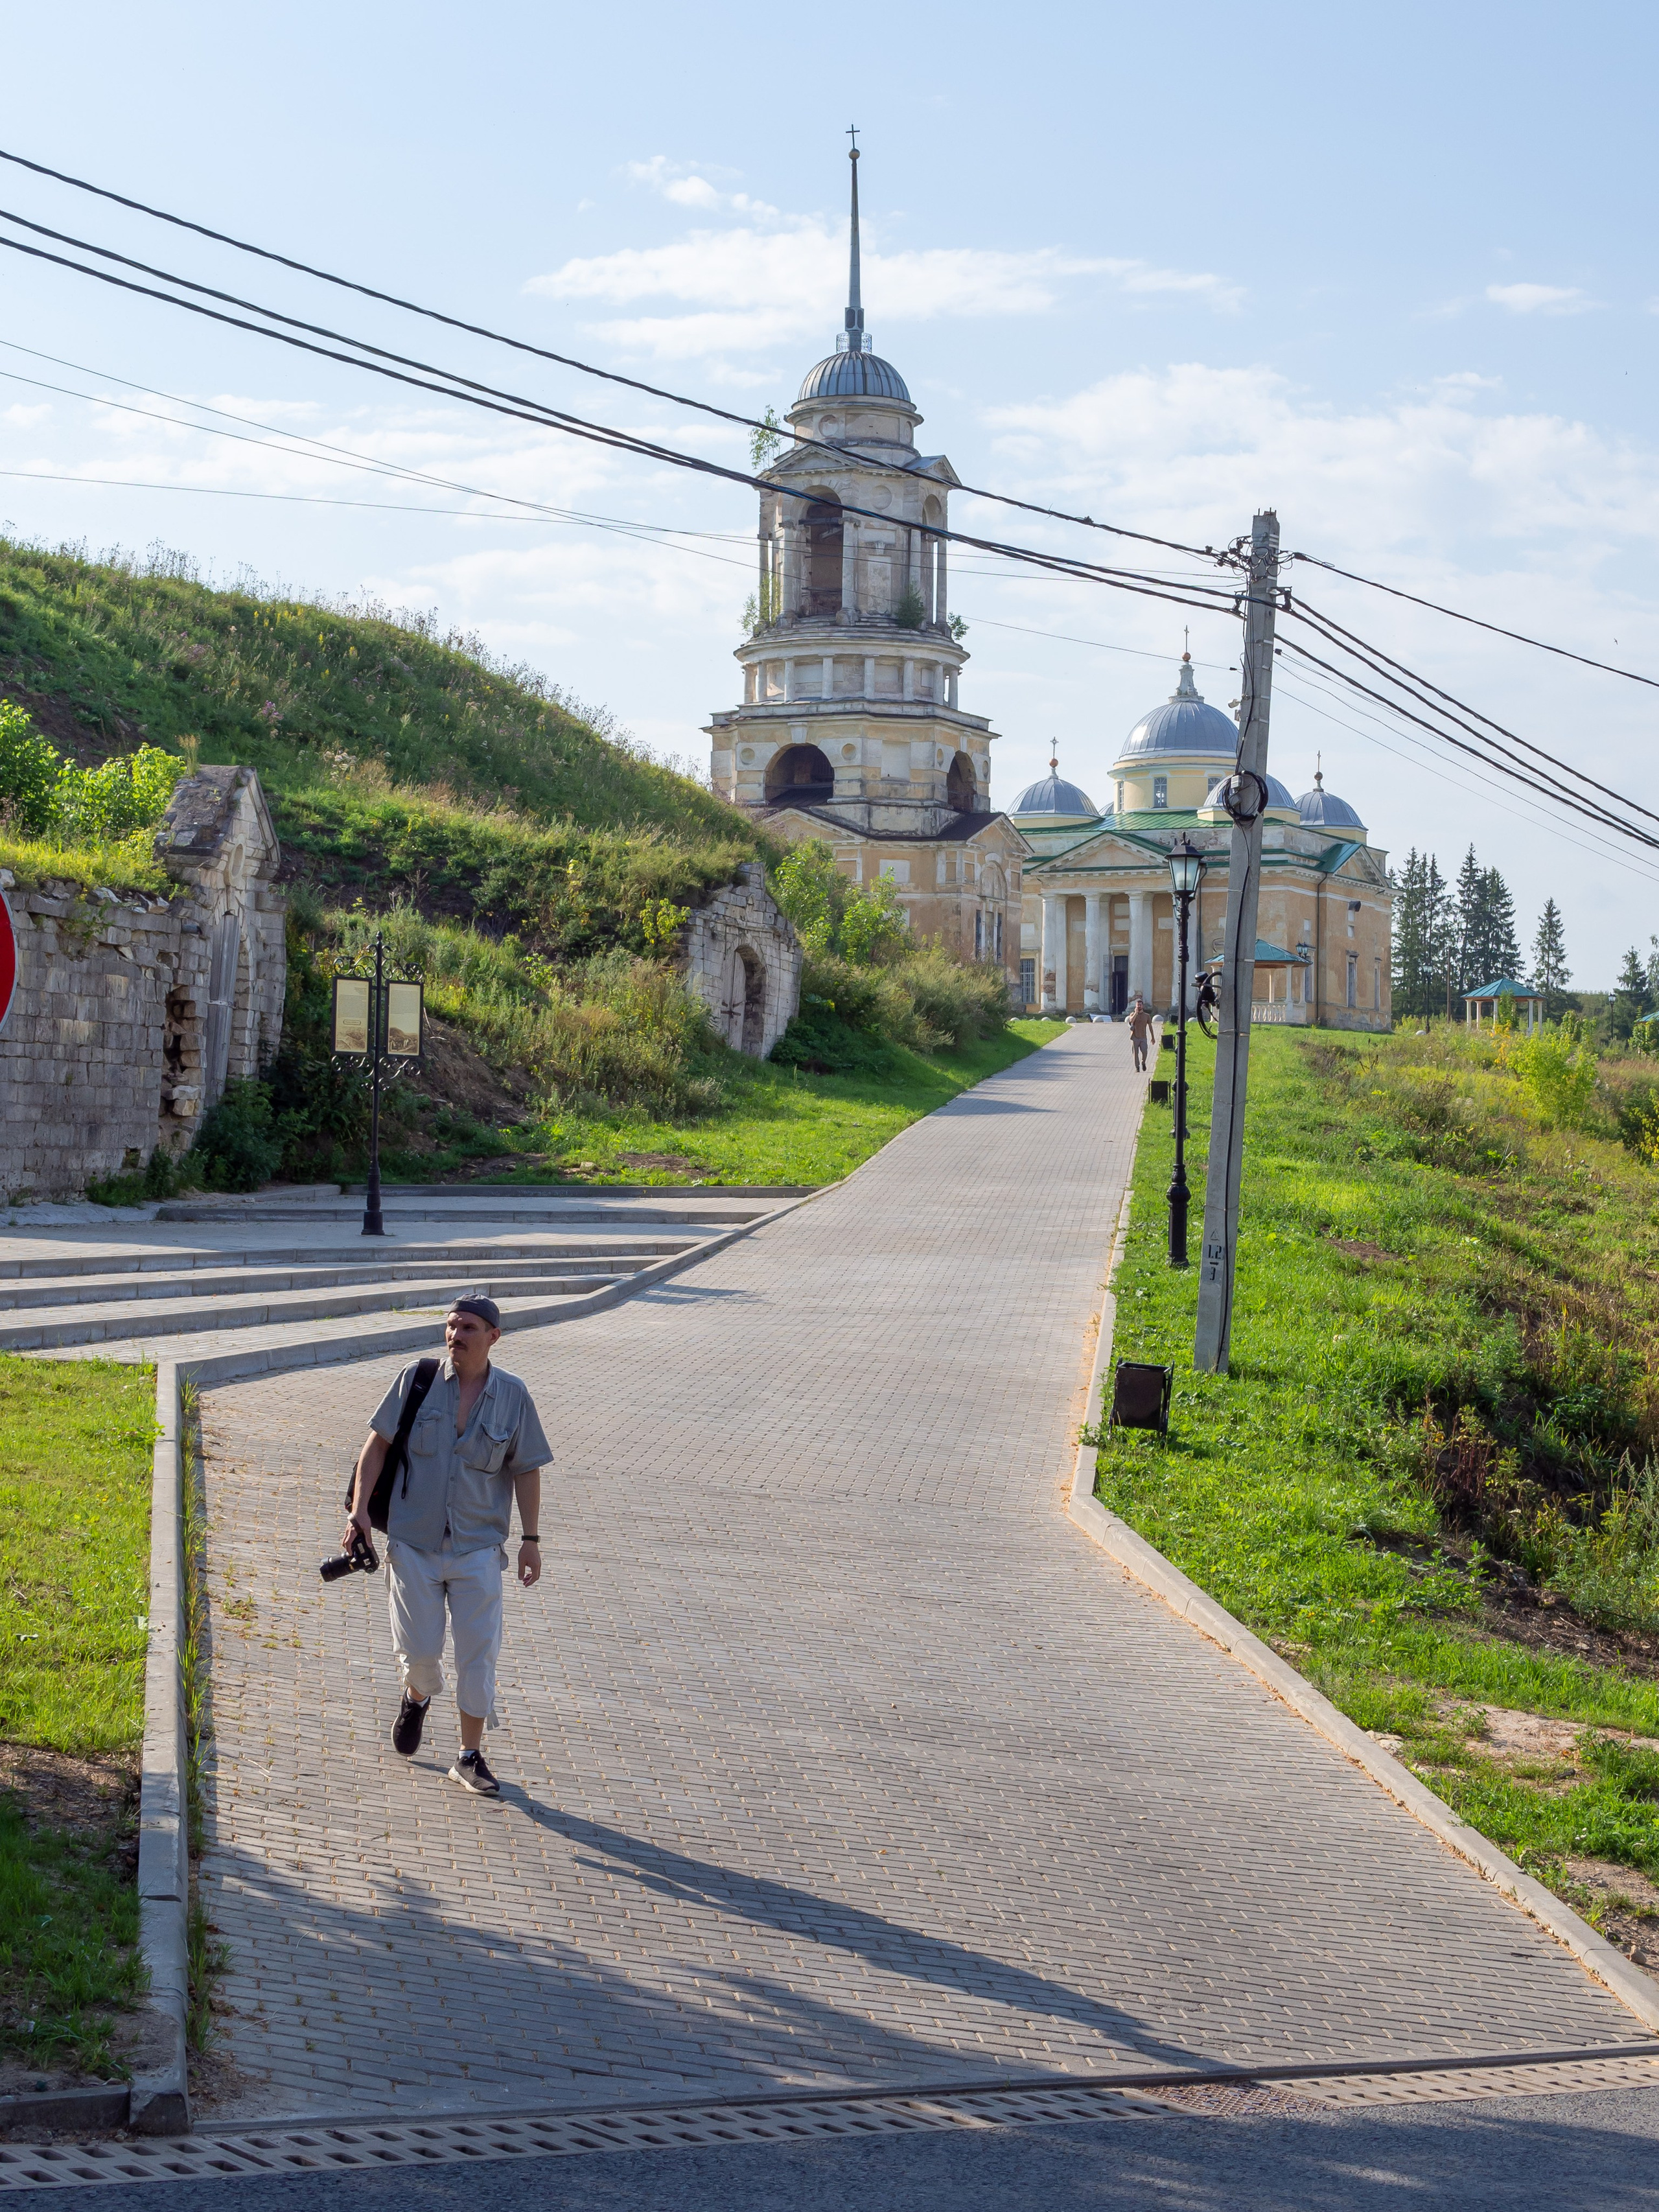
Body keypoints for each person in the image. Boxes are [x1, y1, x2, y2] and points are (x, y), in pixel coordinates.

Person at [343, 1295, 551, 1798]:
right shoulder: (417, 1379)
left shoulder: (514, 1396)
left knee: (478, 1655)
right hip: (413, 1544)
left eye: (468, 1327)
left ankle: (469, 1756)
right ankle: (416, 1696)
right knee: (421, 1654)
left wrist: (530, 1540)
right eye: (451, 1324)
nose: (455, 1334)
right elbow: (377, 1446)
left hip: (478, 1547)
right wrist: (359, 1511)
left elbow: (526, 1468)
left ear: (493, 1336)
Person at [1127, 994, 1155, 1073]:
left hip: (1143, 1037)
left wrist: (1153, 1037)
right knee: (1135, 1054)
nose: (1139, 1006)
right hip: (1134, 1037)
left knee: (1145, 1051)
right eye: (1137, 1005)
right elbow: (1131, 1021)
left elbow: (1150, 1027)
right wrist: (1136, 1013)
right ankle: (1137, 1067)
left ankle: (1143, 1062)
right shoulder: (1132, 1014)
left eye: (1140, 1005)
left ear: (1142, 1006)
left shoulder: (1147, 1016)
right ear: (1136, 1006)